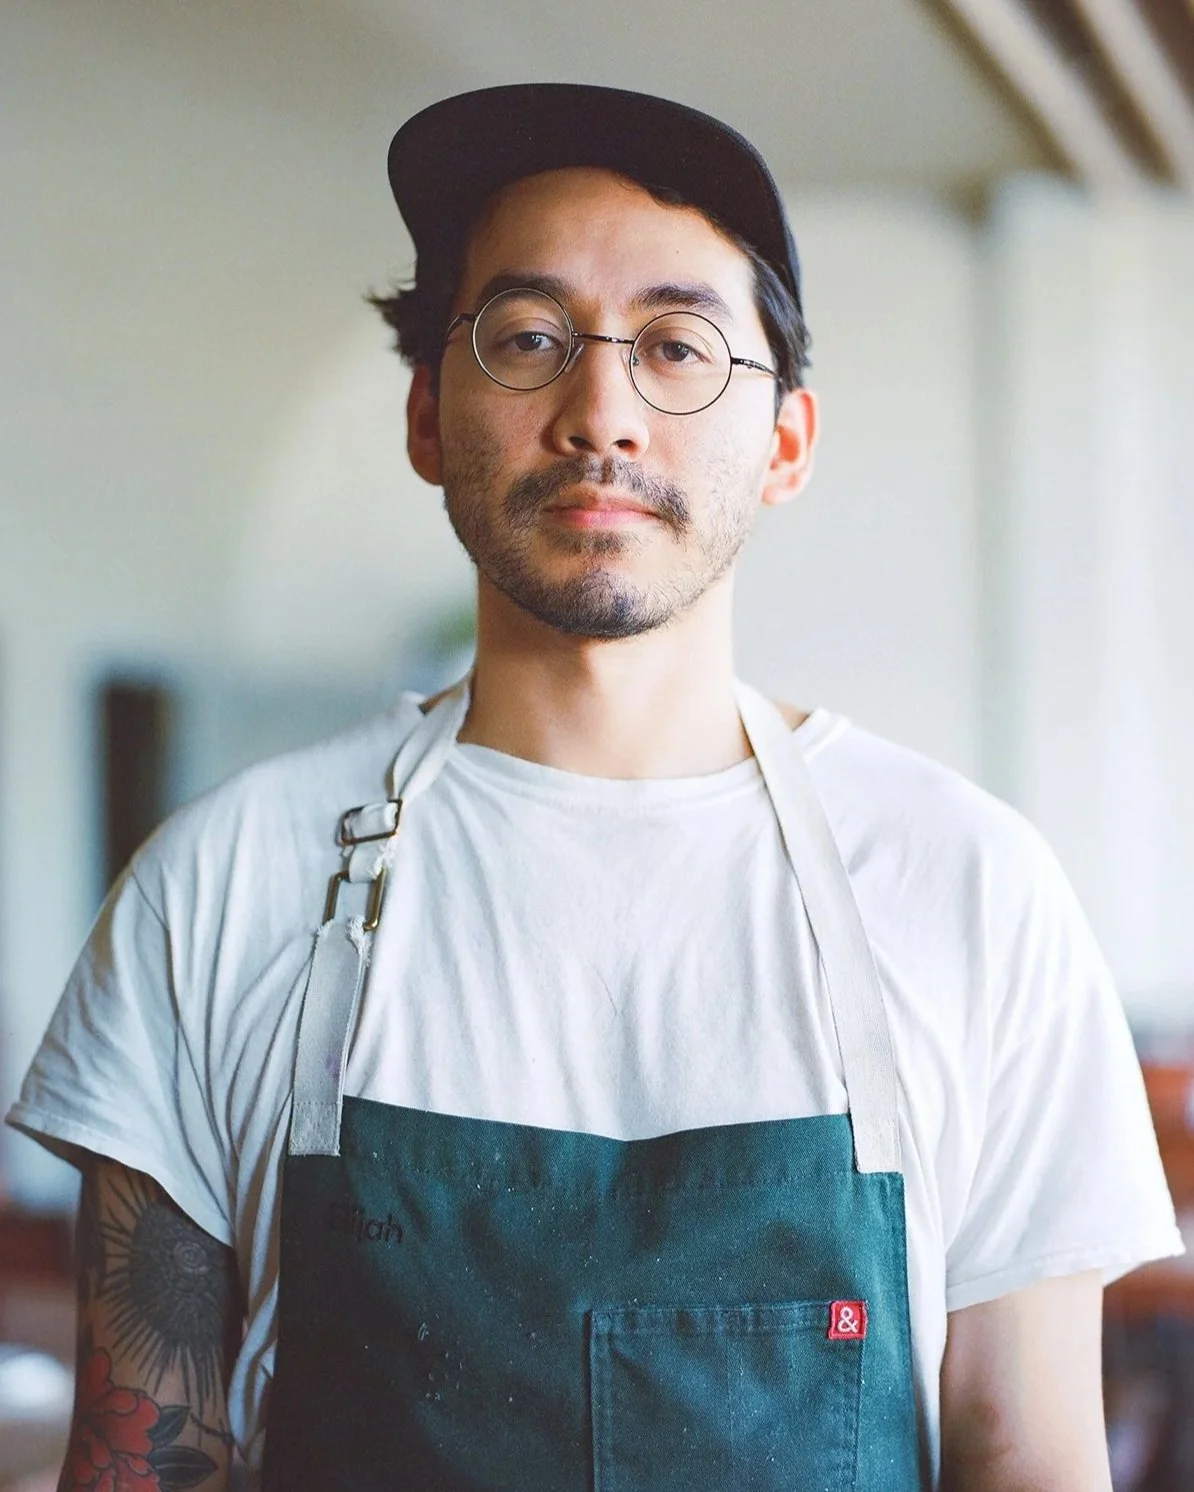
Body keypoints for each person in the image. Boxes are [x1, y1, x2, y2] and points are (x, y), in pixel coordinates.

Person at [7, 83, 1182, 1492]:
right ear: (430, 417)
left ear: (787, 443)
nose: (600, 410)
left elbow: (1024, 1453)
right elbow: (141, 1466)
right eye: (527, 339)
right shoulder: (220, 887)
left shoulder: (967, 885)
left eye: (678, 345)